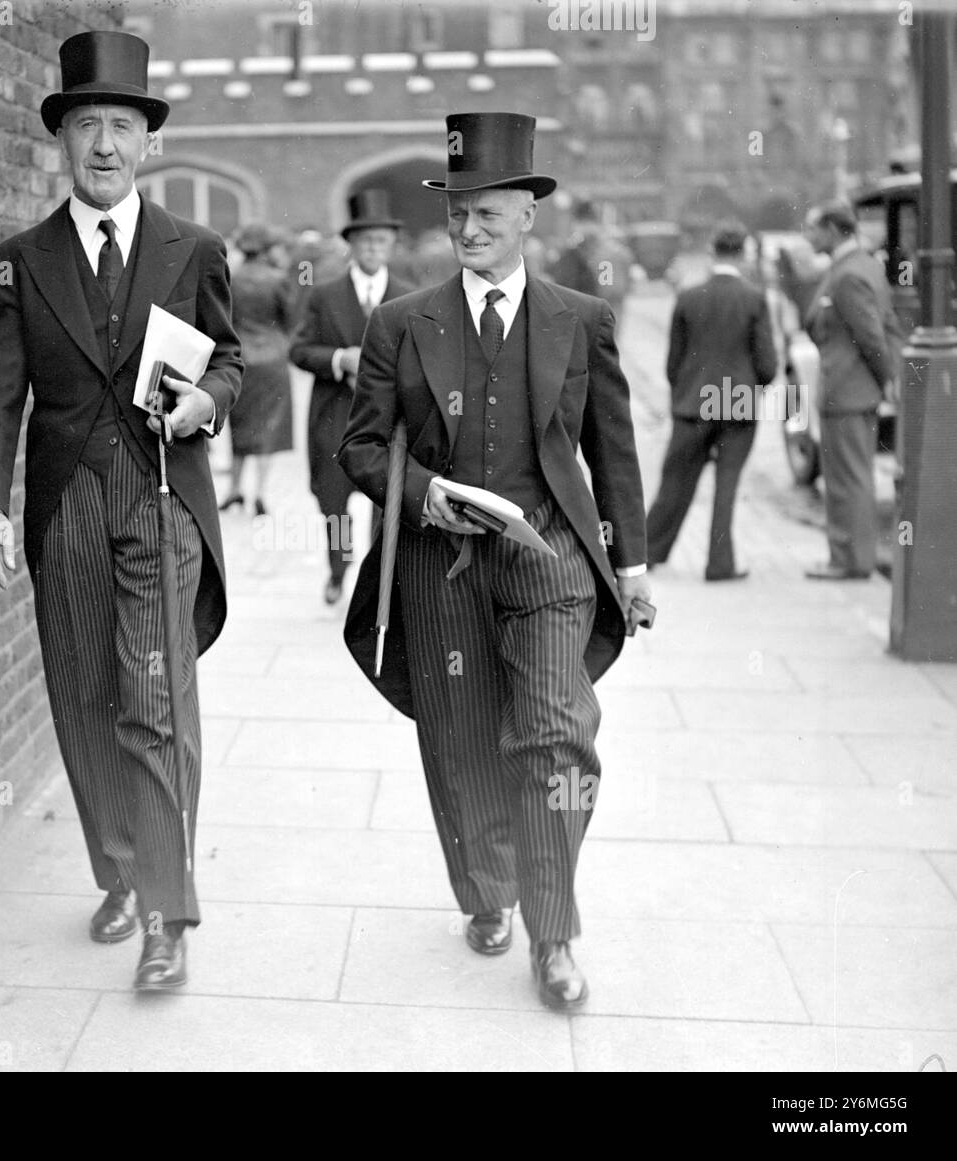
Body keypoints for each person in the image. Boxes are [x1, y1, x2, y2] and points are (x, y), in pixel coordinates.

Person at [338, 112, 650, 1010]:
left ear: (527, 217)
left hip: (549, 556)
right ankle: (487, 893)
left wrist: (630, 566)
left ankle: (553, 934)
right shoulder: (402, 324)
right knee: (463, 744)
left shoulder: (579, 320)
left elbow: (614, 449)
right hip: (438, 569)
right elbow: (358, 449)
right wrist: (421, 491)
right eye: (457, 213)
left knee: (560, 735)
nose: (468, 229)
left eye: (487, 213)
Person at [0, 30, 242, 991]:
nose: (106, 144)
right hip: (66, 506)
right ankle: (117, 869)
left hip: (163, 499)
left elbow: (232, 357)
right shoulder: (20, 260)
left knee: (155, 702)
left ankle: (168, 912)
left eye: (123, 124)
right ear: (63, 141)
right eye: (88, 125)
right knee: (86, 704)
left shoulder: (192, 248)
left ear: (149, 141)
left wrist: (207, 401)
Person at [289, 190, 414, 604]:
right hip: (334, 419)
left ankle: (378, 580)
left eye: (381, 241)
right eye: (365, 241)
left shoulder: (410, 295)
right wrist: (341, 358)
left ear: (392, 245)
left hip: (389, 421)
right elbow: (300, 350)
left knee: (387, 503)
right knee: (335, 503)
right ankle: (338, 570)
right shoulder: (325, 294)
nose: (373, 249)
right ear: (352, 245)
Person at [645, 221, 778, 581]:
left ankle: (647, 553)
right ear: (745, 254)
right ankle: (720, 564)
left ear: (711, 253)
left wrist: (683, 392)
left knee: (675, 482)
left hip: (693, 403)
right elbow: (768, 364)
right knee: (727, 485)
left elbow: (672, 362)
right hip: (737, 402)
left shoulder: (688, 297)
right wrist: (753, 389)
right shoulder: (754, 298)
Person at [801, 201, 902, 580]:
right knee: (851, 476)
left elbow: (872, 336)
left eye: (813, 228)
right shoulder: (861, 266)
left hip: (847, 390)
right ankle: (849, 556)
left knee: (847, 479)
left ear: (831, 229)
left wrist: (886, 378)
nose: (808, 236)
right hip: (852, 390)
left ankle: (849, 560)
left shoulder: (847, 275)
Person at [220, 224, 295, 517]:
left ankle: (234, 489)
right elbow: (291, 318)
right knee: (270, 426)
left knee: (238, 424)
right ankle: (261, 492)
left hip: (241, 358)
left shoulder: (232, 278)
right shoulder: (279, 280)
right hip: (273, 358)